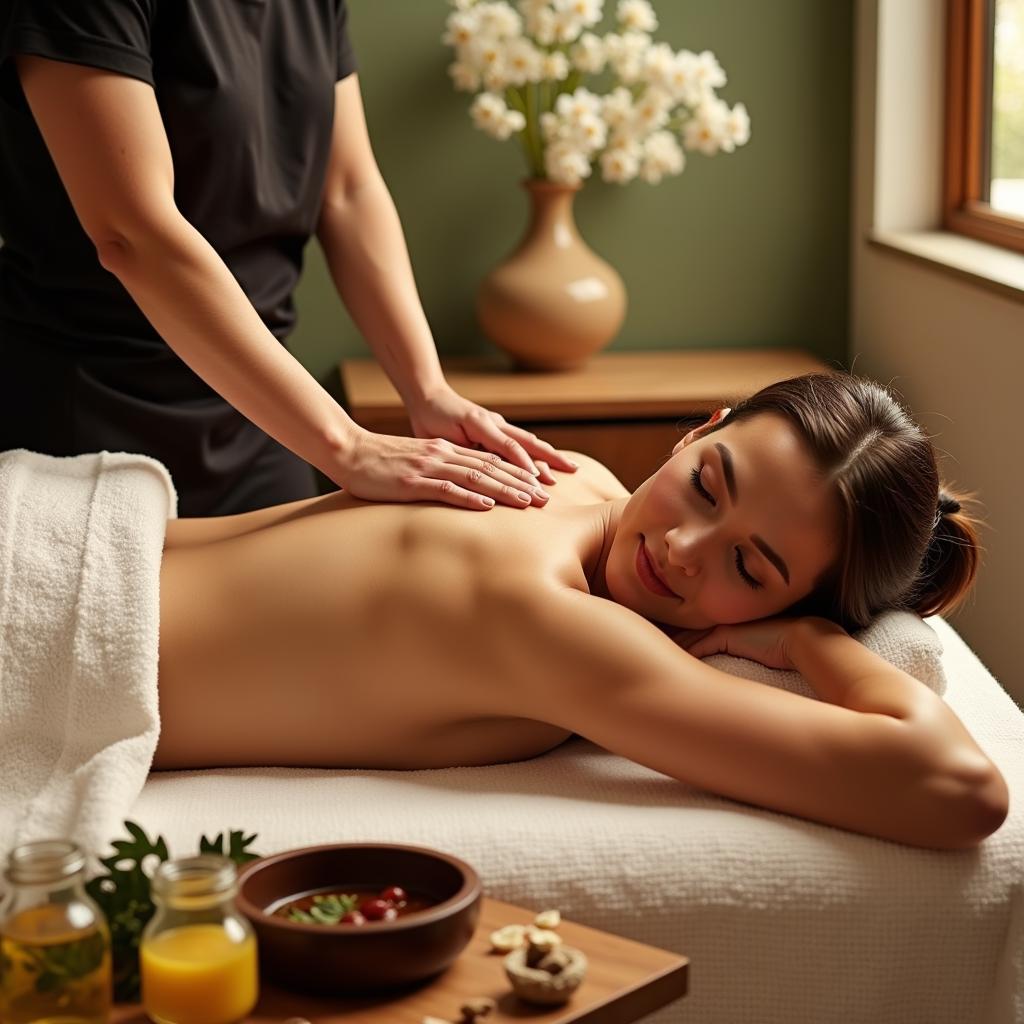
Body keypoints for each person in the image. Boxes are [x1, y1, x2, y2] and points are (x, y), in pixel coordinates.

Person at [152, 371, 1009, 851]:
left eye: (748, 566)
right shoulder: (561, 626)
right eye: (708, 484)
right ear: (698, 430)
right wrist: (813, 643)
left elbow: (967, 797)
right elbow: (958, 787)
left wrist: (803, 633)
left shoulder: (576, 474)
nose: (683, 547)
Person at [0, 1, 571, 517]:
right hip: (96, 415)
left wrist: (427, 390)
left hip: (268, 415)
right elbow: (132, 232)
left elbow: (348, 191)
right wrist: (346, 446)